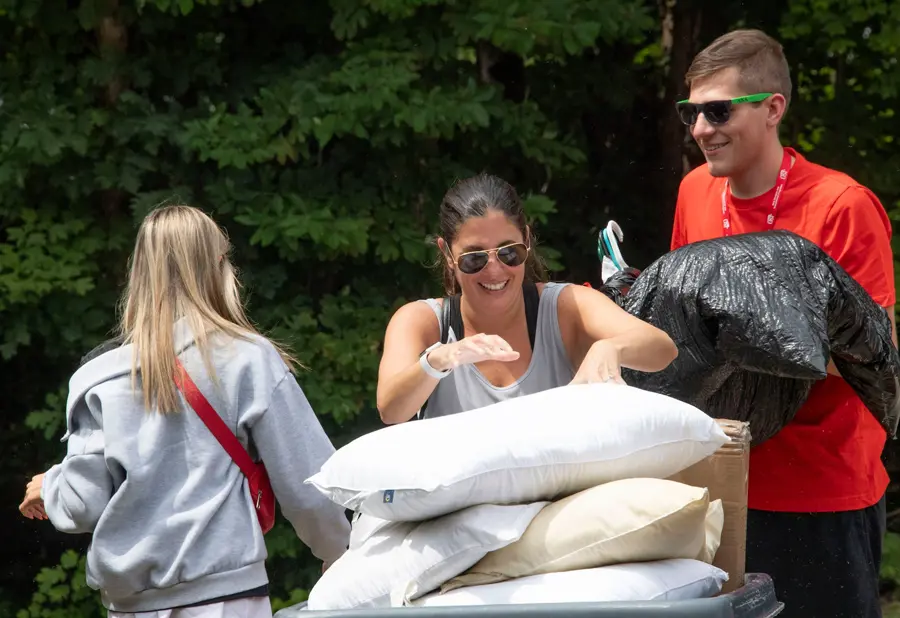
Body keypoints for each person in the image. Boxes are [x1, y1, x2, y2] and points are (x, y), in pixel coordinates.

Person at [18, 205, 350, 617]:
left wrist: (50, 486)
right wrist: (340, 555)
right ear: (217, 265)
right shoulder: (245, 358)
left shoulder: (96, 377)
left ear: (137, 271)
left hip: (130, 607)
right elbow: (310, 486)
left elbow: (83, 503)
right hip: (227, 602)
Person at [671, 29, 896, 618]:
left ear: (773, 108)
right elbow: (682, 325)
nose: (700, 129)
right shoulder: (695, 192)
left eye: (718, 110)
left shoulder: (842, 204)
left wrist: (736, 342)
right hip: (716, 480)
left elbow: (873, 349)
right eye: (690, 112)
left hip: (821, 488)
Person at [376, 172, 678, 424]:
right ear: (447, 254)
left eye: (509, 253)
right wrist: (441, 358)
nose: (494, 270)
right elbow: (391, 410)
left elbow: (663, 349)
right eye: (474, 258)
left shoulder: (565, 306)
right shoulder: (423, 322)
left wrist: (610, 347)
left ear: (528, 241)